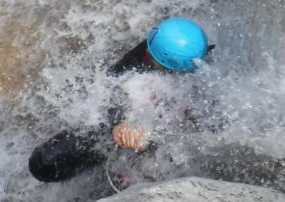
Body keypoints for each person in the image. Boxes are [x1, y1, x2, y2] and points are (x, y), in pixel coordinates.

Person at [29, 17, 212, 183]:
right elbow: (114, 89)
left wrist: (149, 141)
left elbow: (196, 132)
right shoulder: (145, 56)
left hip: (168, 139)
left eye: (154, 60)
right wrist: (120, 123)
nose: (148, 54)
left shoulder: (200, 84)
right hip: (121, 127)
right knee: (45, 163)